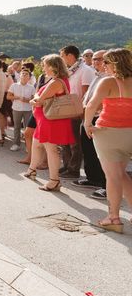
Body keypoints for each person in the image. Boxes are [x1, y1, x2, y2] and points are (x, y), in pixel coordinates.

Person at [84, 48, 132, 232]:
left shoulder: (108, 82)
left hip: (108, 133)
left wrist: (88, 124)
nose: (104, 65)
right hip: (129, 133)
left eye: (106, 62)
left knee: (112, 177)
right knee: (122, 174)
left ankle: (113, 218)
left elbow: (91, 105)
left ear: (115, 63)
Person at [22, 54, 75, 192]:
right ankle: (32, 170)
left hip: (50, 120)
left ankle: (54, 180)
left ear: (52, 66)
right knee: (37, 144)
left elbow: (39, 99)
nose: (43, 67)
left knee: (51, 149)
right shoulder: (57, 80)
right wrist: (36, 99)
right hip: (45, 119)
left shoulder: (56, 82)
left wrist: (34, 100)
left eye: (44, 65)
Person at [73, 50, 108, 197]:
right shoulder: (96, 75)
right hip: (88, 116)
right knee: (88, 150)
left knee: (101, 153)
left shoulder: (109, 77)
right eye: (94, 59)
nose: (95, 62)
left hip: (100, 118)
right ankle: (92, 178)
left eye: (99, 59)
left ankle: (105, 185)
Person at [59, 45, 96, 179]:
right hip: (66, 110)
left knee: (75, 142)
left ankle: (74, 169)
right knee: (65, 140)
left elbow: (86, 93)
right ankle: (67, 165)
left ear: (70, 55)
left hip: (77, 110)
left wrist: (79, 110)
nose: (61, 59)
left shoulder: (85, 70)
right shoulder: (69, 70)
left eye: (62, 56)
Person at [7, 69, 35, 151]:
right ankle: (16, 144)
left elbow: (33, 99)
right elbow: (8, 97)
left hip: (28, 109)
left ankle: (28, 145)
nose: (24, 75)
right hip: (16, 109)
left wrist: (26, 100)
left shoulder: (31, 87)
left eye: (26, 74)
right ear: (20, 76)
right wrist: (18, 97)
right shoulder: (14, 85)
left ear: (29, 77)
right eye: (23, 74)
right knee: (17, 127)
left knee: (28, 128)